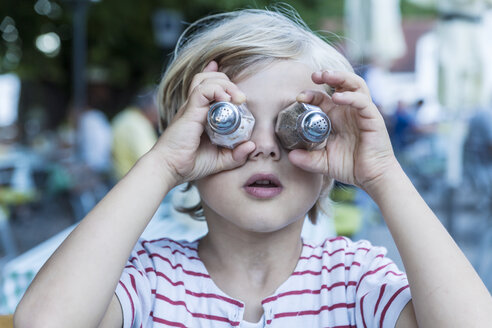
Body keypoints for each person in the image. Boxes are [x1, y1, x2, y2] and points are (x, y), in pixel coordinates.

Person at [14, 7, 492, 328]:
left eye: (299, 126)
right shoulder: (150, 278)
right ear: (191, 142)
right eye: (232, 124)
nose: (264, 146)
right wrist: (161, 164)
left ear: (329, 152)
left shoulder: (355, 279)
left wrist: (384, 174)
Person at [111, 89, 159, 180]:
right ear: (150, 109)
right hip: (137, 183)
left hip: (122, 181)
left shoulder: (123, 117)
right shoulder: (138, 125)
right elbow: (151, 161)